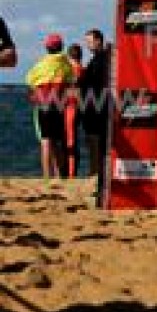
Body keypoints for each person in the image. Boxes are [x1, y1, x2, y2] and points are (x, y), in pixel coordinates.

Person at [25, 33, 73, 180]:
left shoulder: (40, 64)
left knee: (46, 141)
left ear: (47, 47)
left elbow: (29, 81)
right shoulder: (65, 64)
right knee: (58, 141)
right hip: (58, 106)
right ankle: (59, 175)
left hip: (44, 105)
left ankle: (47, 176)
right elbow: (71, 81)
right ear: (61, 47)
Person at [78, 28, 112, 202]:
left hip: (97, 109)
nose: (88, 45)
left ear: (99, 40)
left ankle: (98, 179)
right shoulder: (99, 58)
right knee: (97, 146)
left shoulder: (101, 59)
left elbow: (91, 83)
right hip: (95, 107)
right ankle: (98, 180)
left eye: (90, 41)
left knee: (97, 146)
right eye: (87, 42)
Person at [64, 43, 85, 178]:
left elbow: (72, 89)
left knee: (70, 140)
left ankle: (71, 173)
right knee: (73, 140)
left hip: (71, 107)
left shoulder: (73, 70)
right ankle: (71, 172)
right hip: (77, 106)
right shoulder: (82, 69)